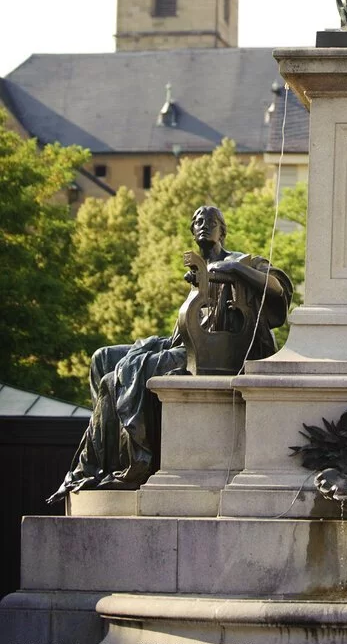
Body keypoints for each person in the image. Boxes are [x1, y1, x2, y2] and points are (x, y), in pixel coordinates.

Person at [48, 206, 292, 498]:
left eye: (211, 222)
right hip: (185, 343)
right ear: (192, 230)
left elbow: (278, 289)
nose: (204, 226)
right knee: (102, 357)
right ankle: (110, 455)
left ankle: (138, 460)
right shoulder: (198, 269)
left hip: (217, 350)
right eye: (199, 221)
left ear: (222, 231)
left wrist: (235, 270)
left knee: (123, 374)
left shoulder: (239, 260)